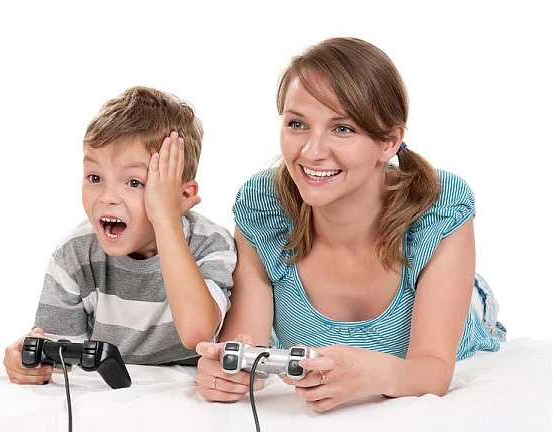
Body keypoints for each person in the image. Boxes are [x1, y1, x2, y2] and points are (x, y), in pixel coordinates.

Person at [195, 37, 506, 411]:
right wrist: (228, 371)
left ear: (389, 142)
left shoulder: (440, 206)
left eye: (342, 129)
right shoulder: (263, 206)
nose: (311, 152)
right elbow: (248, 340)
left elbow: (433, 369)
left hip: (459, 308)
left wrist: (374, 375)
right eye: (297, 124)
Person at [4, 86, 236, 384]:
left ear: (184, 195)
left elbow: (197, 332)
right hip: (112, 392)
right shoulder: (75, 255)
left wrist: (166, 218)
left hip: (187, 397)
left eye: (134, 182)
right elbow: (59, 361)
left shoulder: (210, 244)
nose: (107, 197)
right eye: (95, 178)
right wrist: (28, 362)